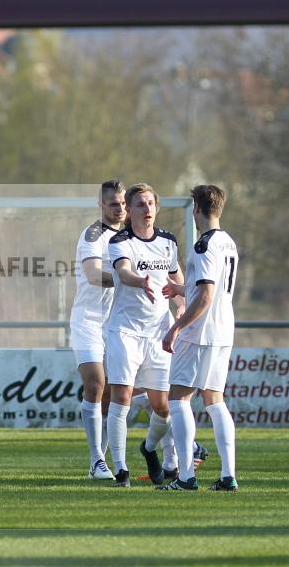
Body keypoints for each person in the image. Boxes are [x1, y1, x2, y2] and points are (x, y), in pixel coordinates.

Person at [158, 184, 239, 492]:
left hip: (199, 332)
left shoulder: (203, 245)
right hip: (223, 331)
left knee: (178, 399)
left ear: (196, 210)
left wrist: (176, 327)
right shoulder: (228, 242)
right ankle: (228, 475)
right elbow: (210, 289)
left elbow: (206, 296)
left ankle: (185, 476)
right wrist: (181, 290)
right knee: (215, 400)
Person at [105, 183, 185, 488]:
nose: (147, 209)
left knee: (163, 408)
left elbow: (177, 278)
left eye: (150, 203)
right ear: (129, 210)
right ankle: (122, 470)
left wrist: (182, 305)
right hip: (125, 330)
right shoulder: (120, 240)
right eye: (140, 204)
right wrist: (142, 281)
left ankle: (150, 448)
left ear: (157, 207)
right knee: (122, 397)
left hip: (158, 333)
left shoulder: (167, 241)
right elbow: (123, 272)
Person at [71, 179, 126, 481]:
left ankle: (101, 460)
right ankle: (96, 461)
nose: (119, 209)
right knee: (95, 382)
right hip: (88, 321)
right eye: (113, 204)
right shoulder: (93, 235)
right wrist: (127, 279)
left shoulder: (131, 237)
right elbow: (93, 275)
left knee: (115, 391)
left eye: (122, 203)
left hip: (118, 323)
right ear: (101, 205)